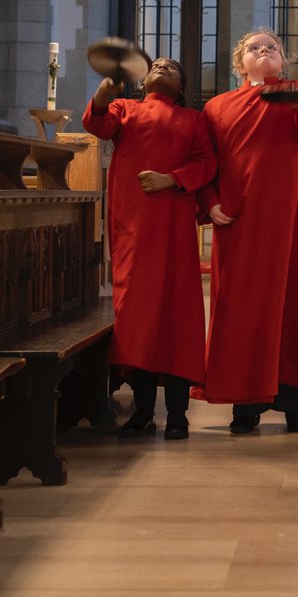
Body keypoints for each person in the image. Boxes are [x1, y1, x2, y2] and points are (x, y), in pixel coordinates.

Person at [195, 29, 298, 434]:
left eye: (272, 48)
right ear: (238, 63)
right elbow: (205, 161)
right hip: (241, 223)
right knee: (243, 309)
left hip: (293, 222)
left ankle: (296, 406)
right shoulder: (216, 107)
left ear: (282, 60)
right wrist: (210, 203)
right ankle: (245, 405)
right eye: (254, 48)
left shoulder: (294, 93)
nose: (263, 51)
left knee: (297, 305)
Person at [82, 57, 216, 440]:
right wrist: (103, 95)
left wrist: (170, 180)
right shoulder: (126, 109)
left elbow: (207, 164)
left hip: (173, 231)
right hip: (133, 230)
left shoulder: (194, 119)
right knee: (136, 319)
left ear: (182, 85)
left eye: (172, 65)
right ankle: (143, 411)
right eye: (156, 64)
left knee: (177, 317)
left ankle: (177, 414)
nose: (163, 65)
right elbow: (97, 124)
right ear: (142, 83)